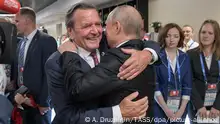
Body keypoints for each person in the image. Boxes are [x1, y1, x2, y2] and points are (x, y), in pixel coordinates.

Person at [45, 3, 160, 124]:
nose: (95, 31)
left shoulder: (109, 43)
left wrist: (148, 53)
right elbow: (66, 117)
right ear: (70, 31)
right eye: (86, 26)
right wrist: (117, 113)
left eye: (98, 24)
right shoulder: (56, 62)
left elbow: (140, 41)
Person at [12, 7, 57, 124]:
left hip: (39, 103)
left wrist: (44, 102)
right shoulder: (21, 43)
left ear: (27, 21)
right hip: (22, 99)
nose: (15, 24)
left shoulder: (47, 41)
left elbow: (50, 73)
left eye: (17, 21)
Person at [154, 23, 192, 124]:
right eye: (168, 36)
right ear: (163, 37)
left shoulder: (185, 57)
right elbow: (155, 85)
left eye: (176, 36)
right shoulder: (157, 57)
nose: (172, 39)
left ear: (180, 38)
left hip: (180, 107)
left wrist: (181, 110)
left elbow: (187, 85)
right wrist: (166, 110)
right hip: (160, 107)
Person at [187, 19, 220, 124]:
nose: (206, 35)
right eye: (203, 32)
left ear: (216, 36)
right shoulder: (190, 55)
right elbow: (189, 82)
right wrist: (199, 105)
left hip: (217, 106)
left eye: (210, 33)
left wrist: (218, 106)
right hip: (196, 106)